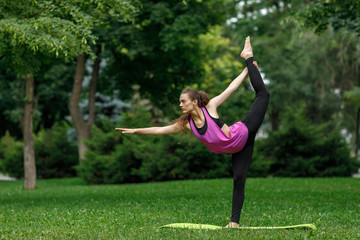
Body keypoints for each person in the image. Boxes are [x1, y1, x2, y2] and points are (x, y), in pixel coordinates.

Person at [115, 36, 270, 228]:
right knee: (238, 180)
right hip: (239, 149)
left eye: (183, 101)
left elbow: (232, 87)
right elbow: (159, 129)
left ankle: (247, 56)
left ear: (194, 101)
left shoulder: (211, 107)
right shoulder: (187, 125)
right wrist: (136, 130)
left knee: (263, 94)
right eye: (180, 102)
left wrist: (248, 68)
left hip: (244, 131)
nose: (180, 105)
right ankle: (234, 222)